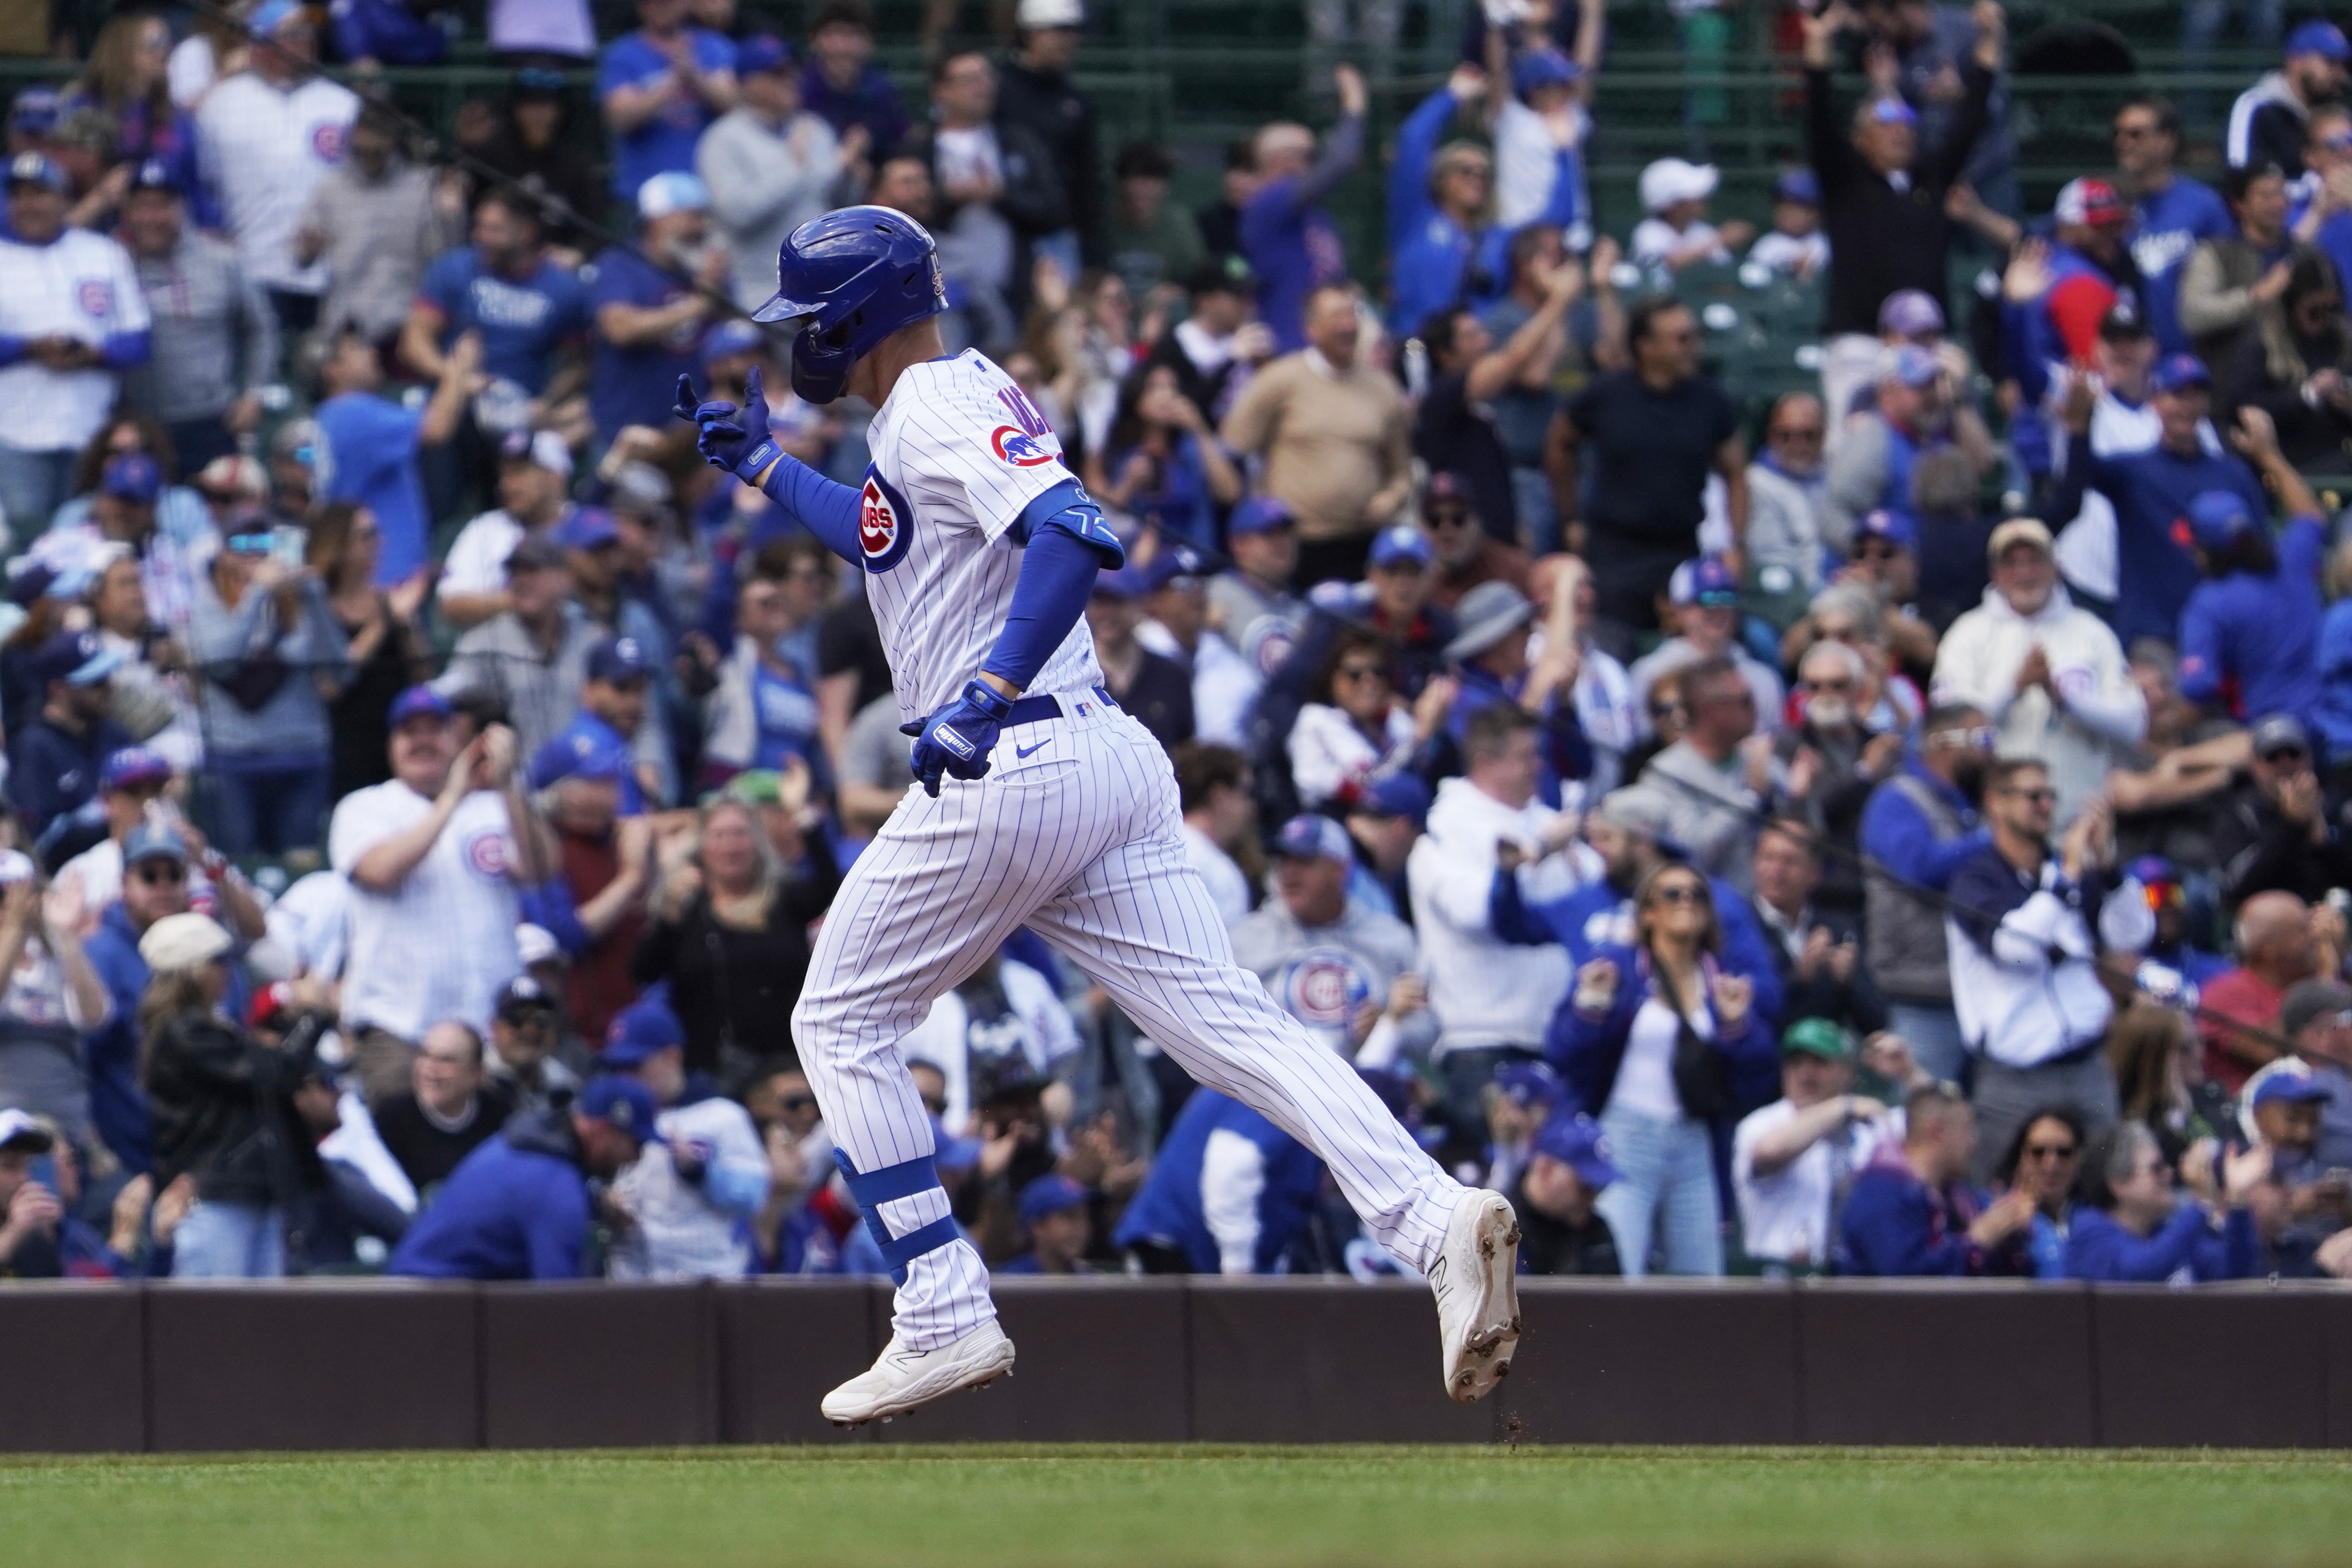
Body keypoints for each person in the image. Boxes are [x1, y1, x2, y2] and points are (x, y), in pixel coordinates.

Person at [677, 206, 1523, 1420]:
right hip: (1103, 763)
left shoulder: (929, 405)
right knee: (1231, 1025)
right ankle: (1435, 1218)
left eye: (809, 315)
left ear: (852, 315)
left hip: (1012, 758)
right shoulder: (951, 396)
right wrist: (762, 466)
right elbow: (890, 539)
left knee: (840, 1020)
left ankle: (940, 1307)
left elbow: (1077, 534)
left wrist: (985, 685)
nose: (798, 337)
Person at [1551, 859, 1777, 1278]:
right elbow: (1564, 1053)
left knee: (1701, 1282)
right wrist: (1590, 1009)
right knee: (1618, 1272)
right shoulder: (1617, 968)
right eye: (1672, 894)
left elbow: (1757, 1079)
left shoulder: (1723, 983)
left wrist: (1737, 1028)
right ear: (1648, 912)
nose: (1686, 901)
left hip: (1693, 1141)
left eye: (1697, 894)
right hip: (1625, 1136)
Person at [329, 685, 553, 1099]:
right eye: (409, 731)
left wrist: (509, 788)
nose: (423, 740)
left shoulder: (492, 807)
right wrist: (451, 797)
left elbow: (541, 869)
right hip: (401, 1030)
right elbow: (381, 871)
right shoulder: (366, 807)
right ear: (391, 746)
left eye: (436, 729)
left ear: (458, 740)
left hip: (493, 1030)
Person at [1802, 1, 2003, 439]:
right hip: (1861, 342)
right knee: (1851, 444)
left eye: (1907, 125)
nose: (1899, 131)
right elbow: (1817, 117)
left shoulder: (1928, 178)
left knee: (1953, 440)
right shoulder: (1847, 183)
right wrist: (1817, 46)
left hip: (1928, 343)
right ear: (1861, 139)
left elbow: (1967, 124)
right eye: (1885, 124)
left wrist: (1988, 44)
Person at [1946, 759, 2153, 1179]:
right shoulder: (1974, 879)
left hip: (2087, 1064)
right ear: (1995, 804)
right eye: (2032, 796)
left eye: (2049, 796)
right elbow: (2015, 950)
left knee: (2107, 1182)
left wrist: (2108, 868)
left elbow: (2132, 936)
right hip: (2014, 1076)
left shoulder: (2062, 868)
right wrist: (2068, 877)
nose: (2045, 806)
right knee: (2004, 1185)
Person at [1547, 294, 1745, 651]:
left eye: (1694, 337)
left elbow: (1735, 472)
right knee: (1603, 646)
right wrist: (1569, 516)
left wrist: (1735, 543)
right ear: (1646, 346)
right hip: (1615, 553)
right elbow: (1560, 443)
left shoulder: (1709, 400)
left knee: (1720, 646)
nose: (1693, 347)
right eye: (1681, 339)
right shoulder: (1606, 395)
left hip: (1681, 548)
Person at [1930, 517, 2146, 827]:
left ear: (2056, 567)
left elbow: (2134, 725)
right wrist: (2013, 688)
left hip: (2080, 821)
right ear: (1994, 574)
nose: (2025, 573)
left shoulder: (2092, 632)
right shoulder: (1966, 635)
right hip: (1997, 826)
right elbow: (1945, 733)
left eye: (2035, 560)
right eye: (2012, 563)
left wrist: (2067, 700)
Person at [138, 911, 318, 1277]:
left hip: (245, 1192)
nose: (226, 972)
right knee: (211, 1326)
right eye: (217, 961)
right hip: (215, 1197)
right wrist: (314, 1017)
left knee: (257, 1325)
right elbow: (274, 1076)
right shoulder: (184, 1033)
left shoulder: (209, 1029)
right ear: (193, 970)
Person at [632, 792, 840, 1079]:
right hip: (710, 1070)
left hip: (787, 1066)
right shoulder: (686, 909)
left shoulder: (785, 900)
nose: (730, 846)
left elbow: (832, 886)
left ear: (757, 842)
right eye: (719, 835)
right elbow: (642, 970)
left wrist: (801, 812)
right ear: (701, 846)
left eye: (740, 834)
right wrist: (671, 914)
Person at [0, 151, 153, 535]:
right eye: (19, 195)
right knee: (25, 540)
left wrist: (93, 354)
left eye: (40, 193)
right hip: (15, 433)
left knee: (87, 540)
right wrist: (30, 348)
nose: (29, 204)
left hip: (92, 430)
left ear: (64, 198)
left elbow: (139, 342)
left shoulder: (103, 253)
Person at [1221, 286, 1414, 588]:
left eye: (1352, 314)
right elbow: (1232, 446)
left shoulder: (1383, 388)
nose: (1348, 325)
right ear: (1311, 328)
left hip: (1365, 544)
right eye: (1337, 316)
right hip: (1298, 547)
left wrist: (1391, 498)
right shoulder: (1280, 380)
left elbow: (1402, 469)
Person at [191, 1, 358, 336]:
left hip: (332, 273)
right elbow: (204, 185)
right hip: (251, 268)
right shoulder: (222, 104)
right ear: (262, 42)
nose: (307, 40)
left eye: (310, 31)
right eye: (294, 33)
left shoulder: (342, 103)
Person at [387, 1075, 659, 1280]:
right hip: (427, 1309)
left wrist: (595, 1201)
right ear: (602, 1131)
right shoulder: (555, 1188)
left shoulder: (523, 1147)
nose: (636, 1158)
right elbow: (560, 1309)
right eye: (634, 1144)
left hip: (417, 1296)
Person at [186, 521, 351, 856]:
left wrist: (316, 598)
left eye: (264, 546)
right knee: (239, 865)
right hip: (234, 762)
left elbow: (342, 672)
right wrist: (257, 593)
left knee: (300, 863)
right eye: (243, 546)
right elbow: (218, 661)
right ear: (223, 556)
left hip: (302, 757)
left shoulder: (302, 603)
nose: (255, 557)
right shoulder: (206, 608)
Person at [1230, 813, 1430, 1065]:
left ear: (1340, 870)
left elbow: (1428, 1029)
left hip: (1364, 1087)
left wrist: (1387, 1027)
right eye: (1283, 861)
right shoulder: (1244, 940)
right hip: (1275, 1086)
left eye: (1304, 861)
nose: (1290, 873)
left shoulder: (1390, 939)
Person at [117, 160, 274, 477]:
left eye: (162, 206)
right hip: (137, 424)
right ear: (127, 211)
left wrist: (255, 392)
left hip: (212, 422)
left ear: (182, 207)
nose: (151, 218)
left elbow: (261, 328)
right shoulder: (109, 261)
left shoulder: (220, 260)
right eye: (142, 206)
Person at [1413, 260, 1584, 548]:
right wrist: (1558, 300)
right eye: (1472, 337)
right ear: (1445, 354)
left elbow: (1537, 370)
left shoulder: (1476, 405)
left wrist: (1560, 306)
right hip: (1465, 545)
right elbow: (1514, 358)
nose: (1486, 340)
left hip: (1499, 540)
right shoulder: (1444, 395)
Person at [599, 997, 770, 1279]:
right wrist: (605, 1202)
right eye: (619, 1068)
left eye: (635, 1066)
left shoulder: (722, 1115)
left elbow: (754, 1197)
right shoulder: (612, 1116)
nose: (626, 1077)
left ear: (672, 1057)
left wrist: (700, 1173)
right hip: (634, 1281)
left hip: (708, 1281)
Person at [1733, 1020, 1919, 1273]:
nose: (1805, 1074)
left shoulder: (1873, 1124)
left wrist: (1909, 1073)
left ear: (1847, 1072)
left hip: (1854, 1278)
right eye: (1795, 1063)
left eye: (1819, 1063)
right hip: (1779, 1276)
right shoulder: (1761, 1124)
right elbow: (1771, 1152)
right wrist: (1843, 1106)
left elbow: (1939, 1125)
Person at [2176, 418, 2325, 732]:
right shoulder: (2291, 560)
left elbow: (2198, 689)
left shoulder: (2210, 603)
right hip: (2335, 718)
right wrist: (2269, 454)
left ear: (2205, 552)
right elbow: (2310, 514)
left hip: (2277, 739)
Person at [697, 35, 861, 313]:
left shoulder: (815, 128)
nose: (790, 79)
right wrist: (792, 165)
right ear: (748, 83)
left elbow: (838, 203)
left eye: (792, 70)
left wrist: (850, 173)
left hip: (826, 289)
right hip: (760, 292)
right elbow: (739, 215)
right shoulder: (722, 139)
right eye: (777, 73)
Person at [311, 325, 478, 590]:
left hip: (367, 579)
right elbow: (436, 429)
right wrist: (460, 366)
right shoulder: (353, 412)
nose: (371, 354)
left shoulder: (330, 418)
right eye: (356, 350)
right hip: (383, 581)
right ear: (333, 371)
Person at [292, 98, 458, 354]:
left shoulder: (422, 188)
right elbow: (299, 257)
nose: (367, 159)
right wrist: (307, 248)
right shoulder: (332, 188)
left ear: (393, 145)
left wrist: (450, 218)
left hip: (402, 325)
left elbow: (442, 259)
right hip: (344, 323)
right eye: (360, 150)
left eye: (377, 151)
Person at [1111, 1083, 1329, 1275]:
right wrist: (1238, 1268)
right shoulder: (1288, 1090)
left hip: (1202, 1257)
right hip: (1179, 1252)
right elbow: (1231, 1167)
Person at [1840, 1083, 2032, 1275]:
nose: (1973, 1142)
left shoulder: (1958, 1197)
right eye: (1967, 1129)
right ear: (1937, 1132)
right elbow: (1903, 1279)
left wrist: (2007, 1230)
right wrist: (1977, 1242)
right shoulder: (1881, 1194)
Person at [1241, 67, 1367, 355]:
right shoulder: (1266, 205)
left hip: (1328, 351)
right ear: (1281, 162)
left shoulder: (1317, 218)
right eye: (1311, 156)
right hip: (1291, 350)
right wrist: (1355, 105)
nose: (1317, 164)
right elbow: (1341, 162)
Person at [2065, 1119, 2265, 1281]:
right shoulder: (2089, 1230)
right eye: (2157, 1168)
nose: (2169, 1174)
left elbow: (2233, 1276)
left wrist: (2238, 1201)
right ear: (2119, 1184)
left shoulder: (2165, 1232)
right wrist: (2202, 1201)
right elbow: (2139, 1271)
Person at [1638, 656, 1771, 896]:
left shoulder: (1755, 760)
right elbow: (1692, 851)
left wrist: (1796, 796)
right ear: (1711, 710)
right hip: (1705, 910)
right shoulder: (1666, 773)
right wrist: (1750, 797)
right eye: (1746, 700)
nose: (1756, 708)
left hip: (1760, 913)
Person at [2117, 96, 2234, 358]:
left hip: (2193, 364)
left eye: (2135, 135)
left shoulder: (2204, 206)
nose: (2123, 143)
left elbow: (2231, 281)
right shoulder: (2108, 206)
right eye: (2119, 134)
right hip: (2131, 363)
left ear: (2167, 141)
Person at [995, 0, 1102, 274]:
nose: (1068, 40)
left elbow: (1088, 180)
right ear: (1030, 33)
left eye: (1073, 32)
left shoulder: (1075, 100)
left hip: (1057, 233)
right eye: (1058, 31)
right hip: (1002, 228)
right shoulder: (996, 89)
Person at [598, 0, 739, 202]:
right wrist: (672, 83)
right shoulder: (622, 55)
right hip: (644, 189)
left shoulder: (715, 47)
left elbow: (735, 107)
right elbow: (619, 119)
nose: (660, 6)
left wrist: (695, 77)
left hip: (711, 185)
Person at [9, 630, 133, 854]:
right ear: (58, 690)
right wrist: (111, 817)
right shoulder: (34, 745)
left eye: (106, 678)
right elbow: (41, 842)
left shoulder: (114, 732)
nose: (107, 689)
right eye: (95, 683)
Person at [369, 1020, 515, 1201]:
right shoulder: (389, 1119)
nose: (431, 1069)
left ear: (476, 1074)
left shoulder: (501, 1116)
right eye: (425, 1055)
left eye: (446, 1060)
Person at [2228, 18, 2352, 176]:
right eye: (2331, 63)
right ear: (2296, 61)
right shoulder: (2256, 108)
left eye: (2343, 66)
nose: (2341, 75)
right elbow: (2239, 177)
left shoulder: (2338, 110)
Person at [798, 0, 908, 158]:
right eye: (834, 34)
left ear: (869, 43)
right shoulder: (799, 86)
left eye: (854, 35)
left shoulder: (882, 89)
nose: (843, 46)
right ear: (815, 40)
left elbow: (899, 139)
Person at [997, 1171, 1093, 1275]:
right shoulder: (1013, 1280)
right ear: (1037, 1226)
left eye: (1085, 1217)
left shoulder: (1087, 1276)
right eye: (1069, 1216)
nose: (1082, 1228)